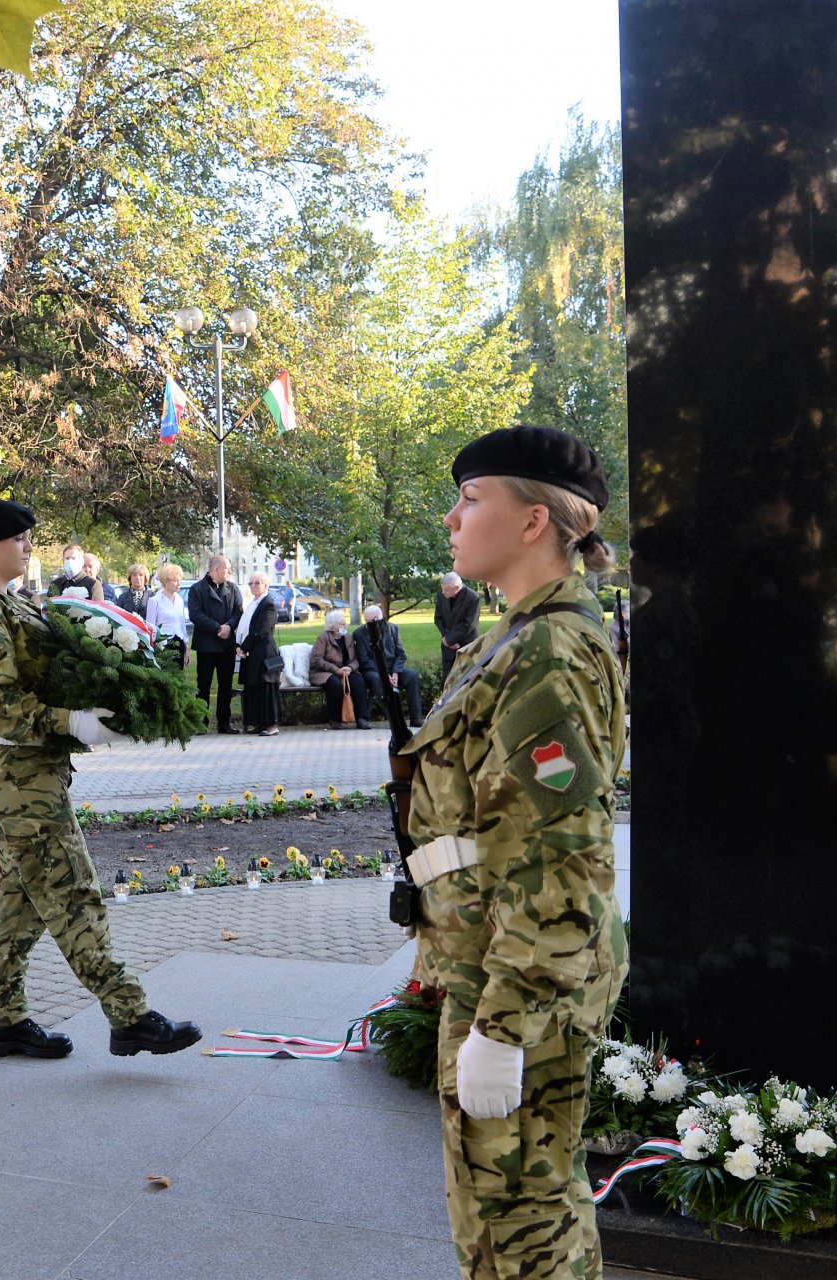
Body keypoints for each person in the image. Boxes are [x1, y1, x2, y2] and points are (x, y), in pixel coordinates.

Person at [405, 426, 627, 1280]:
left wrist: (502, 1027)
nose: (453, 516)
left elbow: (563, 857)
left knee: (519, 1225)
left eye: (471, 498)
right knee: (514, 1214)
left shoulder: (544, 652)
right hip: (493, 964)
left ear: (534, 521)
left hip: (520, 987)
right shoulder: (516, 636)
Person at [0, 497, 201, 1059]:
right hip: (12, 776)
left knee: (20, 899)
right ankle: (128, 1014)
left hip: (26, 772)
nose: (29, 548)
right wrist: (74, 722)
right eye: (20, 540)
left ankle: (4, 1021)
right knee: (70, 889)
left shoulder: (7, 602)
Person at [187, 555, 243, 734]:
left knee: (225, 686)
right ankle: (201, 723)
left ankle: (224, 723)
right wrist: (218, 628)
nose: (230, 571)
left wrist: (229, 626)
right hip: (206, 646)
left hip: (226, 646)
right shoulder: (197, 589)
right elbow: (195, 615)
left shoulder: (233, 588)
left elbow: (238, 611)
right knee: (203, 686)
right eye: (227, 568)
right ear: (216, 569)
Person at [354, 603, 424, 727]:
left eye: (370, 621)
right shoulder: (359, 634)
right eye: (366, 621)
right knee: (377, 679)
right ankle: (392, 717)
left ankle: (416, 718)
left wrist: (395, 672)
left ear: (378, 619)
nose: (367, 625)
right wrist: (385, 675)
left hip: (393, 669)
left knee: (412, 676)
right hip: (373, 670)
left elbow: (401, 654)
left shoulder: (393, 629)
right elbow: (364, 660)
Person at [234, 571, 281, 736]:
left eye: (257, 583)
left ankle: (271, 724)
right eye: (251, 583)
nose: (253, 586)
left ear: (265, 585)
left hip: (264, 652)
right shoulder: (253, 603)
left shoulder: (268, 603)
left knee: (266, 688)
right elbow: (245, 627)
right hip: (252, 653)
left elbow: (260, 630)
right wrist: (239, 646)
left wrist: (244, 647)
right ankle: (260, 723)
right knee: (254, 688)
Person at [309, 608, 371, 730]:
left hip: (346, 671)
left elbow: (356, 659)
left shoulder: (348, 638)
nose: (345, 625)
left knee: (359, 682)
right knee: (335, 685)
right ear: (333, 626)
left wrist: (350, 668)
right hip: (326, 672)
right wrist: (335, 669)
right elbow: (316, 659)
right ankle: (335, 720)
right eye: (342, 623)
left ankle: (362, 719)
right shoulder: (323, 638)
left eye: (344, 622)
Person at [435, 570, 481, 678]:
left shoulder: (473, 598)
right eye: (442, 588)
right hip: (447, 647)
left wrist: (450, 639)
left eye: (446, 590)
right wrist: (448, 640)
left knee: (466, 679)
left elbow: (469, 624)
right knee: (447, 680)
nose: (443, 592)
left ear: (456, 588)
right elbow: (438, 619)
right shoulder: (441, 596)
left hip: (468, 645)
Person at [145, 563, 190, 646]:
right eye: (175, 581)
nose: (179, 584)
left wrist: (186, 644)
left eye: (180, 580)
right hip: (162, 644)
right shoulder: (154, 601)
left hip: (179, 642)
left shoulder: (179, 600)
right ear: (166, 582)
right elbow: (150, 627)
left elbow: (182, 623)